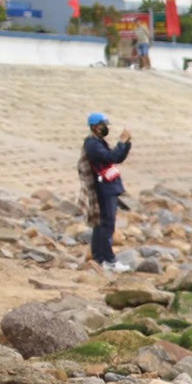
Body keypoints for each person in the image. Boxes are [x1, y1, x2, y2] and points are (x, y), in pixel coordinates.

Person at [81, 113, 133, 272]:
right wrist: (121, 142)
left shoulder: (98, 142)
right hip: (104, 189)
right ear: (95, 127)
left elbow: (117, 158)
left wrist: (126, 144)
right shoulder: (92, 144)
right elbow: (112, 157)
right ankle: (108, 260)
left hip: (108, 187)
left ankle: (99, 259)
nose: (106, 128)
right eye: (104, 125)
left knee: (102, 224)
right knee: (107, 225)